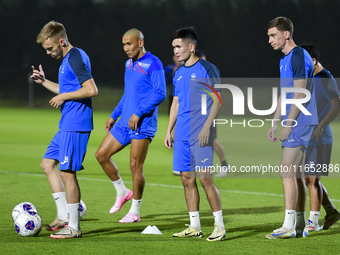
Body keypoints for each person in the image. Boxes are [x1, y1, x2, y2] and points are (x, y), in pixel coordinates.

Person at [31, 21, 98, 238]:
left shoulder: (76, 56)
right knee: (47, 163)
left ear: (62, 41)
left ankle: (74, 227)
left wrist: (63, 96)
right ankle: (63, 216)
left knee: (68, 173)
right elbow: (67, 89)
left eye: (50, 48)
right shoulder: (67, 60)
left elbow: (91, 89)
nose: (49, 52)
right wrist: (44, 83)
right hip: (66, 124)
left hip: (76, 125)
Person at [95, 28, 166, 223]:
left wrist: (139, 112)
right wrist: (114, 115)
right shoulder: (129, 63)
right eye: (124, 45)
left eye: (129, 44)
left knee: (135, 166)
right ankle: (122, 191)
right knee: (101, 155)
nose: (126, 48)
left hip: (142, 123)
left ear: (140, 43)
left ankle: (134, 211)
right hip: (124, 122)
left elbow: (160, 93)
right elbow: (128, 94)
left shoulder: (154, 63)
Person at [164, 27, 226, 242]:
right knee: (186, 180)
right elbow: (176, 103)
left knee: (205, 179)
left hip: (201, 134)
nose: (176, 51)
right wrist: (169, 130)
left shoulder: (207, 69)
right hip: (181, 134)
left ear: (191, 47)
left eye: (179, 46)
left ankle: (219, 226)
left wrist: (207, 127)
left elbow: (218, 101)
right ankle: (194, 226)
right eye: (173, 47)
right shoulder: (178, 73)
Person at [266, 17, 318, 239]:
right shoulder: (284, 59)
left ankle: (288, 226)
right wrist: (275, 122)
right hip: (294, 120)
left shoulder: (298, 56)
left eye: (273, 35)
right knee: (295, 173)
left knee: (285, 169)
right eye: (269, 36)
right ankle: (297, 225)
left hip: (301, 120)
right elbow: (285, 94)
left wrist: (288, 124)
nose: (269, 40)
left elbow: (299, 93)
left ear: (286, 34)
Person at [299, 43, 340, 231]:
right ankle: (331, 212)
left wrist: (320, 127)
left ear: (313, 61)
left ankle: (313, 222)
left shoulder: (325, 78)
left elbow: (336, 105)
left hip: (320, 137)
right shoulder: (310, 78)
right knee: (309, 179)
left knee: (313, 179)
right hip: (308, 135)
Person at [195, 49, 229, 178]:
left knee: (212, 140)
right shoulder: (195, 72)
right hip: (199, 112)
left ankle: (224, 165)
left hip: (210, 112)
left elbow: (217, 97)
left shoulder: (210, 70)